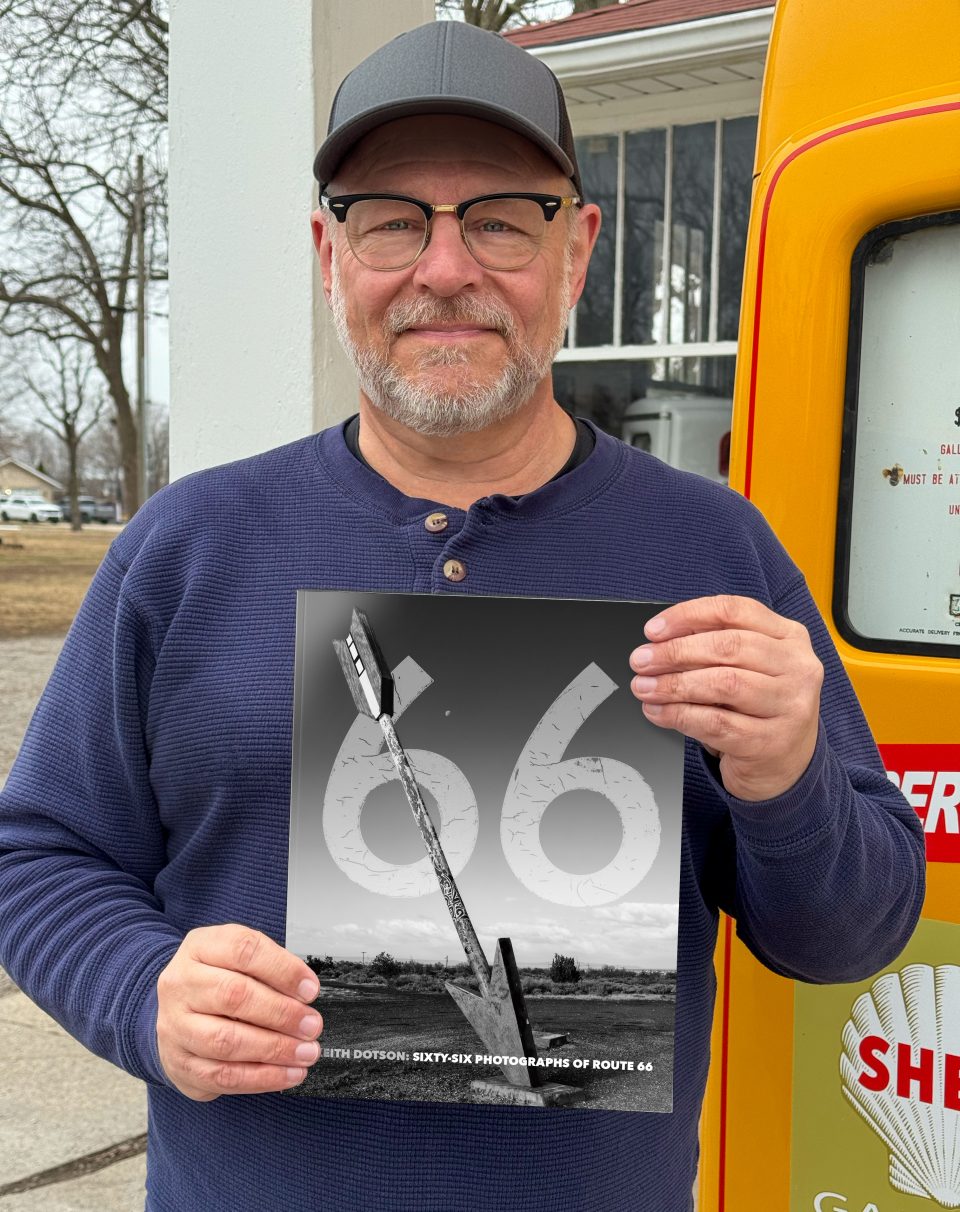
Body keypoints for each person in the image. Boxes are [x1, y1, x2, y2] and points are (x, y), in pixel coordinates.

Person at [0, 20, 924, 1212]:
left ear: (577, 249)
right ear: (329, 254)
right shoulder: (189, 548)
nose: (445, 269)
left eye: (499, 216)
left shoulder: (714, 551)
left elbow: (848, 938)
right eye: (392, 219)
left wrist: (786, 776)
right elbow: (39, 855)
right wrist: (142, 990)